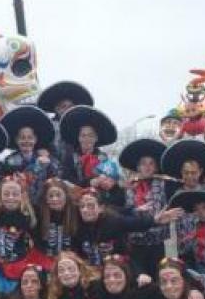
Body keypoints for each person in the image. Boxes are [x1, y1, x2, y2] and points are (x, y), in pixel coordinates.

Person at [72, 188, 182, 269]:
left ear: (100, 208)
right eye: (82, 206)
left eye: (90, 206)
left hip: (117, 270)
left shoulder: (113, 221)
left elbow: (134, 223)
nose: (85, 210)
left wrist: (154, 220)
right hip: (90, 271)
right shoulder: (77, 226)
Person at [119, 138, 173, 277]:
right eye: (143, 164)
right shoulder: (128, 186)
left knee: (158, 279)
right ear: (137, 167)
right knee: (138, 281)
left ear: (156, 167)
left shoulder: (164, 184)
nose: (147, 167)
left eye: (151, 164)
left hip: (157, 244)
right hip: (135, 245)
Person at [0, 105, 61, 204]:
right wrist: (37, 167)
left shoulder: (47, 158)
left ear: (35, 139)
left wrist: (49, 163)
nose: (26, 141)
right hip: (19, 205)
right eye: (22, 138)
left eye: (30, 137)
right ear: (16, 140)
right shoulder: (9, 161)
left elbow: (58, 176)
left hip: (44, 205)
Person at [59, 106, 120, 190]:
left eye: (91, 135)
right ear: (79, 138)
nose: (86, 139)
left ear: (96, 138)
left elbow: (112, 179)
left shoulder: (103, 158)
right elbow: (66, 180)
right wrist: (89, 182)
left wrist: (108, 182)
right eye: (83, 135)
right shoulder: (70, 157)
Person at [36, 81, 94, 160]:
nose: (67, 109)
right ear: (56, 108)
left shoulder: (82, 126)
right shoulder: (47, 126)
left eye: (70, 106)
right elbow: (39, 145)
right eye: (63, 106)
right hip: (52, 166)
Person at [32, 178, 79, 265]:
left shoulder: (76, 212)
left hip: (71, 259)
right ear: (45, 198)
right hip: (44, 259)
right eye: (51, 196)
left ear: (66, 195)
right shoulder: (38, 213)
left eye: (58, 195)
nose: (55, 199)